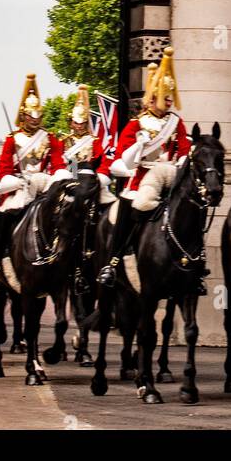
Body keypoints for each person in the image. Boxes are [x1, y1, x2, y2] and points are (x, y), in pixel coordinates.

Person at [97, 47, 191, 288]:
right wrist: (137, 146)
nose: (169, 100)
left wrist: (181, 162)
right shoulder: (135, 125)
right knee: (123, 213)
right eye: (165, 96)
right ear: (153, 97)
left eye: (171, 96)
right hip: (140, 180)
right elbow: (121, 161)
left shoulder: (175, 123)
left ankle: (194, 260)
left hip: (170, 178)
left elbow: (183, 150)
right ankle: (113, 262)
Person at [0, 75, 66, 290]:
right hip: (20, 187)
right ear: (23, 115)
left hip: (44, 185)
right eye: (31, 115)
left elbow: (58, 165)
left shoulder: (50, 138)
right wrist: (16, 181)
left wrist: (59, 178)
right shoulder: (12, 139)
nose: (35, 119)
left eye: (38, 115)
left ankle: (71, 269)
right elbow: (3, 170)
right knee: (2, 219)